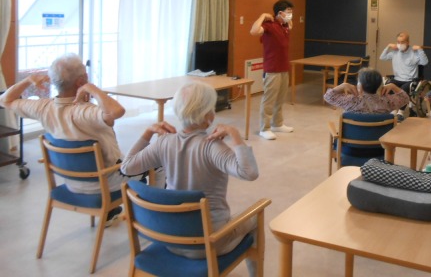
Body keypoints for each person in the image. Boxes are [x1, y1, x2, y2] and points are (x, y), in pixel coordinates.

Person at [120, 81, 259, 268]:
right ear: (209, 115)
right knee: (255, 217)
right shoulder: (212, 146)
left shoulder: (164, 143)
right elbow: (249, 172)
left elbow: (126, 167)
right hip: (209, 243)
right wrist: (235, 135)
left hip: (171, 239)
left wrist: (147, 133)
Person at [0, 53, 126, 223]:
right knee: (154, 164)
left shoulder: (42, 107)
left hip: (71, 182)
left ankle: (110, 213)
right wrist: (92, 89)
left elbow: (4, 100)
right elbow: (117, 111)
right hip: (104, 182)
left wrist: (28, 80)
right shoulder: (86, 112)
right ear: (82, 81)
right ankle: (152, 219)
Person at [250, 0, 295, 140]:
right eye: (288, 12)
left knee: (280, 99)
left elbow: (291, 24)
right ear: (280, 13)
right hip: (272, 69)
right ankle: (264, 128)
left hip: (284, 68)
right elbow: (253, 31)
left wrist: (286, 19)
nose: (291, 15)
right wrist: (263, 16)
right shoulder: (269, 25)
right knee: (269, 100)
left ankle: (277, 124)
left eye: (291, 12)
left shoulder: (285, 26)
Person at [379, 31, 428, 116]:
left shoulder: (414, 52)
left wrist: (420, 49)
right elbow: (382, 57)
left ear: (408, 42)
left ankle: (401, 112)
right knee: (386, 88)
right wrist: (388, 46)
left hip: (409, 80)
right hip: (397, 79)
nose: (400, 44)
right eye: (398, 42)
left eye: (402, 42)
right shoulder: (395, 52)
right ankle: (393, 110)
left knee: (402, 90)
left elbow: (425, 62)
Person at [324, 68, 409, 113]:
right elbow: (405, 98)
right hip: (378, 140)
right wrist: (393, 86)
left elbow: (328, 96)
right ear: (380, 86)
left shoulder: (350, 101)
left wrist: (343, 85)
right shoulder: (388, 102)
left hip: (353, 139)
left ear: (360, 86)